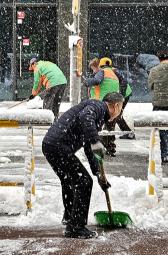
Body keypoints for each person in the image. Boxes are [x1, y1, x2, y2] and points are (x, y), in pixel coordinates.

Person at [42, 92, 124, 239]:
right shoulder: (98, 107)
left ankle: (70, 217)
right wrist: (95, 140)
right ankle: (75, 227)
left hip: (50, 145)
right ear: (116, 106)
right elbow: (86, 117)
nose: (118, 114)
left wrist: (98, 173)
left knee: (69, 180)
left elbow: (88, 147)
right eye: (120, 109)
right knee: (83, 182)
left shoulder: (97, 114)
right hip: (58, 146)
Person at [84, 57, 134, 156]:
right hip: (113, 102)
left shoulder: (101, 72)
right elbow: (123, 82)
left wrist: (87, 82)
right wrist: (120, 95)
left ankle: (97, 148)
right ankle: (110, 148)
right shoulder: (114, 73)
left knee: (98, 126)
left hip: (102, 103)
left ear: (100, 65)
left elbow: (97, 81)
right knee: (110, 125)